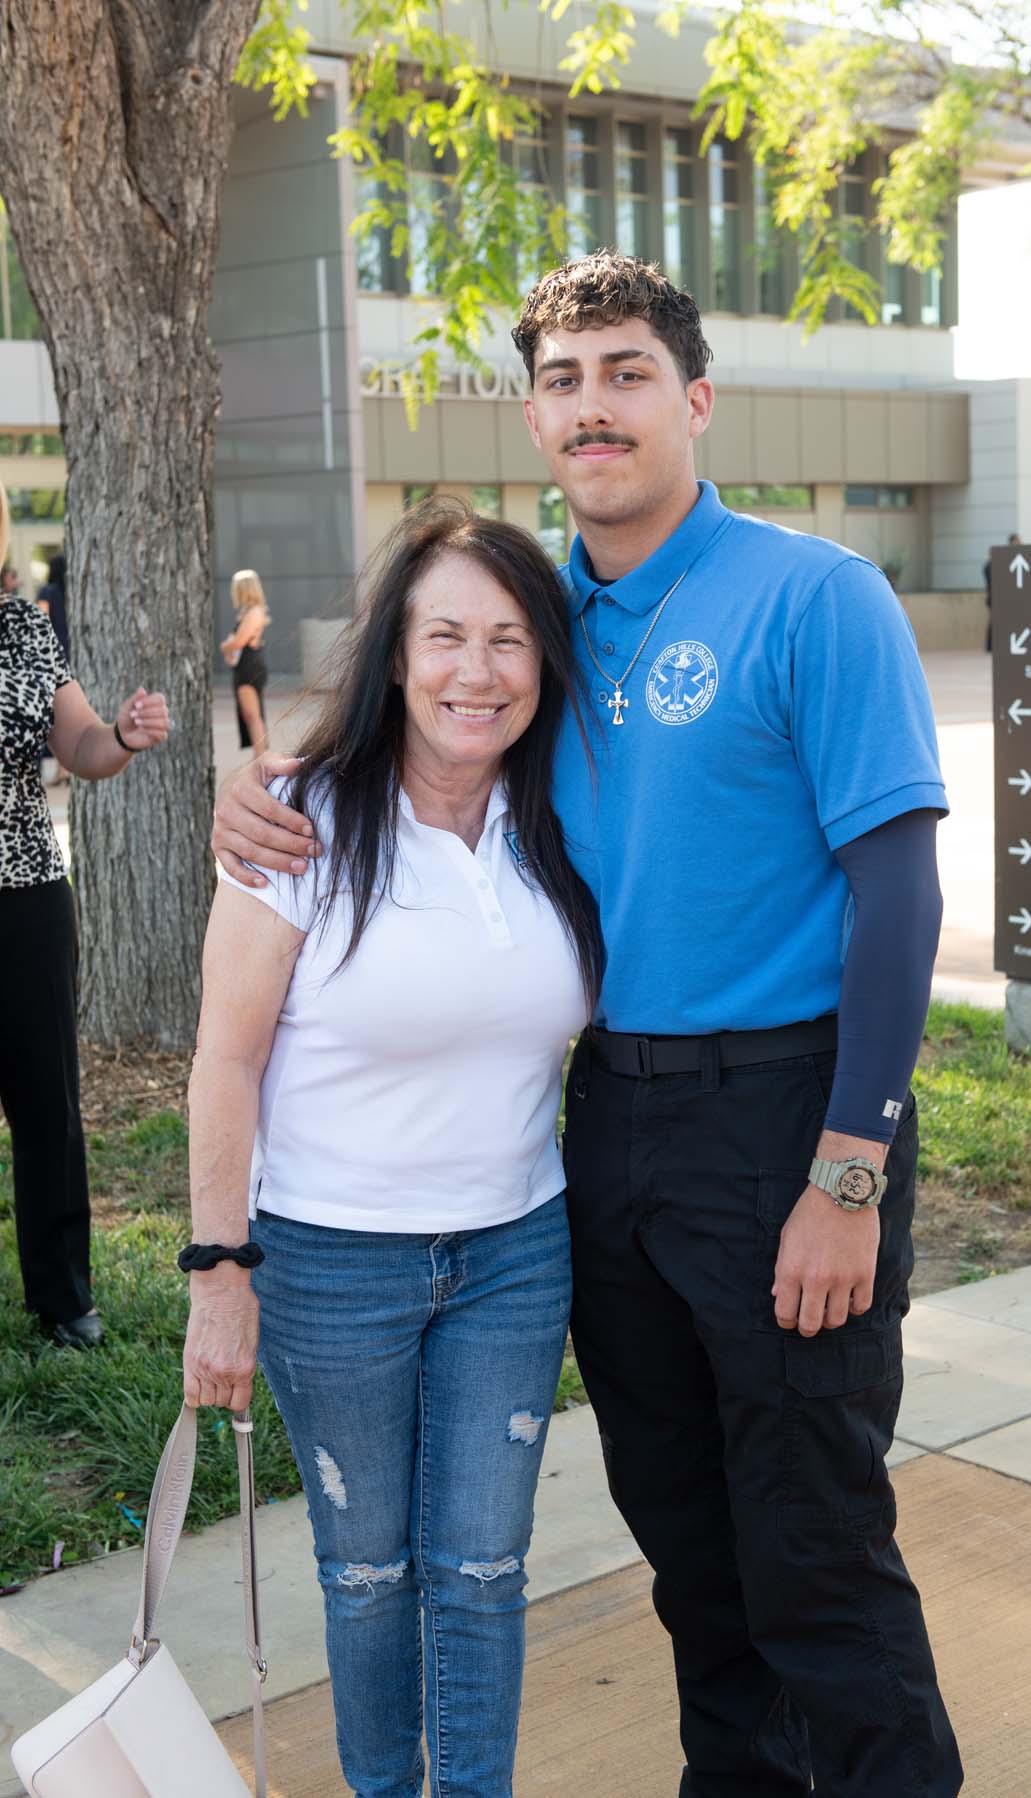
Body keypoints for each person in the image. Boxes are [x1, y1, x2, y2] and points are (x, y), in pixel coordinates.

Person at [213, 254, 963, 1796]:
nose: (593, 407)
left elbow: (898, 894)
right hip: (607, 1131)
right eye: (562, 382)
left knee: (813, 1545)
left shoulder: (815, 595)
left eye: (625, 373)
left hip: (787, 1115)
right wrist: (250, 783)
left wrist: (849, 1168)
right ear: (537, 422)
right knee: (687, 1540)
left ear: (695, 398)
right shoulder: (546, 622)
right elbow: (416, 720)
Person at [185, 502, 602, 1798]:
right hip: (329, 1264)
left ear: (545, 664)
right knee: (368, 1576)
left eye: (510, 640)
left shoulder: (567, 820)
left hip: (515, 1255)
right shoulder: (298, 820)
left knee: (481, 1571)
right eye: (445, 636)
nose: (476, 671)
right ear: (395, 652)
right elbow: (226, 1061)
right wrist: (219, 1270)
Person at [0, 482, 170, 1348]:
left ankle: (63, 1297)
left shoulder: (24, 628)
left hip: (25, 898)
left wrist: (126, 736)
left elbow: (81, 748)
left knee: (47, 1103)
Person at [220, 568, 270, 753]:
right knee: (251, 715)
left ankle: (260, 758)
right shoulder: (250, 611)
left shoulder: (254, 612)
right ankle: (260, 756)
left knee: (252, 715)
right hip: (246, 665)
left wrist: (224, 647)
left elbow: (240, 641)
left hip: (249, 666)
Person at [983, 530, 1020, 652]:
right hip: (993, 597)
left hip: (996, 596)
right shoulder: (989, 565)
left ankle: (992, 645)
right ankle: (989, 646)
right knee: (993, 621)